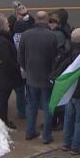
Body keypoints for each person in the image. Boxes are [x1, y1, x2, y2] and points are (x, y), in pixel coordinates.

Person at [18, 11, 59, 142]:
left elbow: (20, 56)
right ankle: (46, 136)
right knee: (48, 106)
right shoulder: (52, 36)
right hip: (47, 76)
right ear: (47, 20)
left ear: (36, 20)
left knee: (31, 105)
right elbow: (56, 57)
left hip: (32, 76)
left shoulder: (26, 35)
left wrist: (27, 69)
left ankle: (30, 131)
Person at [9, 1, 33, 120]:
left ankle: (22, 112)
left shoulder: (11, 39)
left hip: (16, 68)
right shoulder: (28, 38)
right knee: (29, 89)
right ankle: (29, 108)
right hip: (27, 67)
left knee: (19, 91)